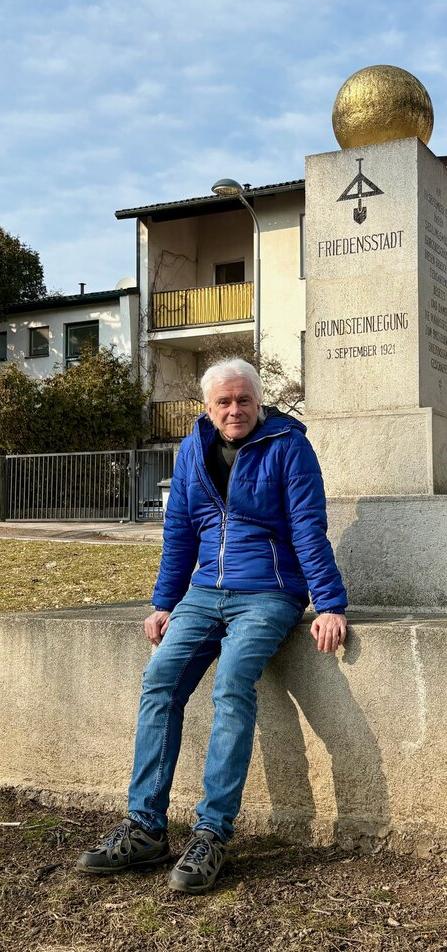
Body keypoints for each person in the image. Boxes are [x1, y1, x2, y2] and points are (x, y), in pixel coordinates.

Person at [76, 357, 347, 893]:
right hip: (203, 594)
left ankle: (212, 833)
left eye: (244, 399)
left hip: (268, 594)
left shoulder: (288, 446)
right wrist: (164, 602)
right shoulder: (192, 451)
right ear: (207, 407)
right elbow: (180, 530)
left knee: (231, 685)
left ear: (259, 401)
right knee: (160, 682)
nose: (234, 410)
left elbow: (308, 526)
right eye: (223, 401)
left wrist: (330, 601)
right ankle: (146, 828)